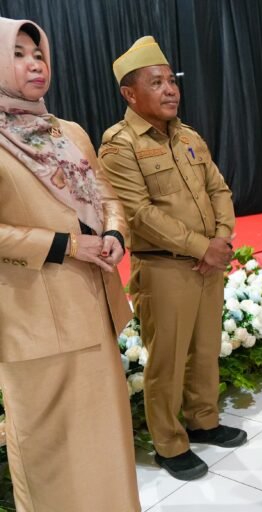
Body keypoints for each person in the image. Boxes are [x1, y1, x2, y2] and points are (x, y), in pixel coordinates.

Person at [0, 18, 140, 511]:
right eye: (17, 53)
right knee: (51, 453)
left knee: (106, 444)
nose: (34, 63)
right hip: (35, 321)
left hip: (92, 304)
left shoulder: (68, 132)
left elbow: (105, 194)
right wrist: (62, 245)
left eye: (37, 52)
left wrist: (115, 234)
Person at [99, 36, 245, 481]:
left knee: (204, 351)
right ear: (130, 94)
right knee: (167, 359)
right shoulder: (119, 145)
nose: (170, 90)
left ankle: (204, 421)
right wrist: (204, 247)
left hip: (208, 263)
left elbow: (218, 188)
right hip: (163, 268)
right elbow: (139, 214)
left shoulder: (189, 136)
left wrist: (220, 240)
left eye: (172, 80)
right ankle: (168, 442)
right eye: (156, 82)